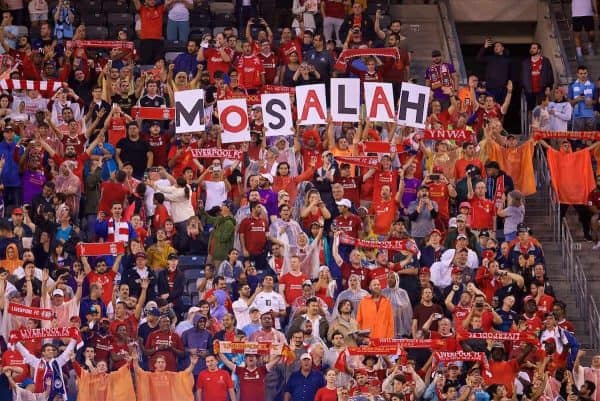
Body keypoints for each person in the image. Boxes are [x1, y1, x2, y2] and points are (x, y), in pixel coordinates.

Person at [521, 42, 554, 110]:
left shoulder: (545, 61)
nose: (531, 49)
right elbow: (522, 76)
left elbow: (550, 74)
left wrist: (548, 87)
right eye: (531, 48)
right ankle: (532, 121)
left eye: (534, 48)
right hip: (529, 90)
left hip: (542, 90)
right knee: (531, 109)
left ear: (539, 50)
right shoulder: (525, 62)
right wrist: (524, 87)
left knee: (543, 109)